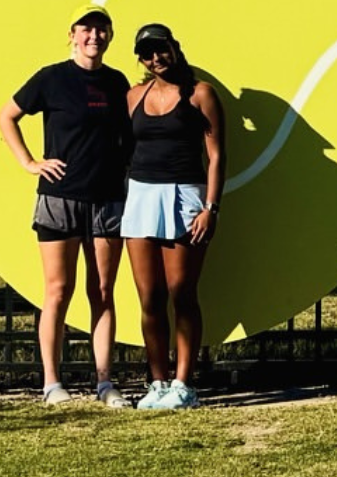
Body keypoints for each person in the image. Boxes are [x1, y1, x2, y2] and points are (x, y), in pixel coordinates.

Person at [0, 4, 134, 407]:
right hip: (59, 199)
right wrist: (29, 162)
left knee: (103, 292)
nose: (94, 36)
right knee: (58, 291)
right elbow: (7, 116)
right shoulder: (51, 78)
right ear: (72, 34)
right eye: (86, 29)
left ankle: (105, 382)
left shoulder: (116, 82)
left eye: (101, 29)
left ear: (109, 35)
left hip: (107, 199)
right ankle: (52, 383)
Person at [122, 23, 226, 410]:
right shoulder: (133, 96)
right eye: (147, 54)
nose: (155, 58)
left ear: (174, 48)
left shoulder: (201, 95)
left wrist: (210, 208)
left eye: (161, 49)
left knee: (182, 293)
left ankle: (184, 384)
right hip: (141, 197)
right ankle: (158, 383)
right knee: (150, 297)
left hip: (186, 197)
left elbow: (216, 156)